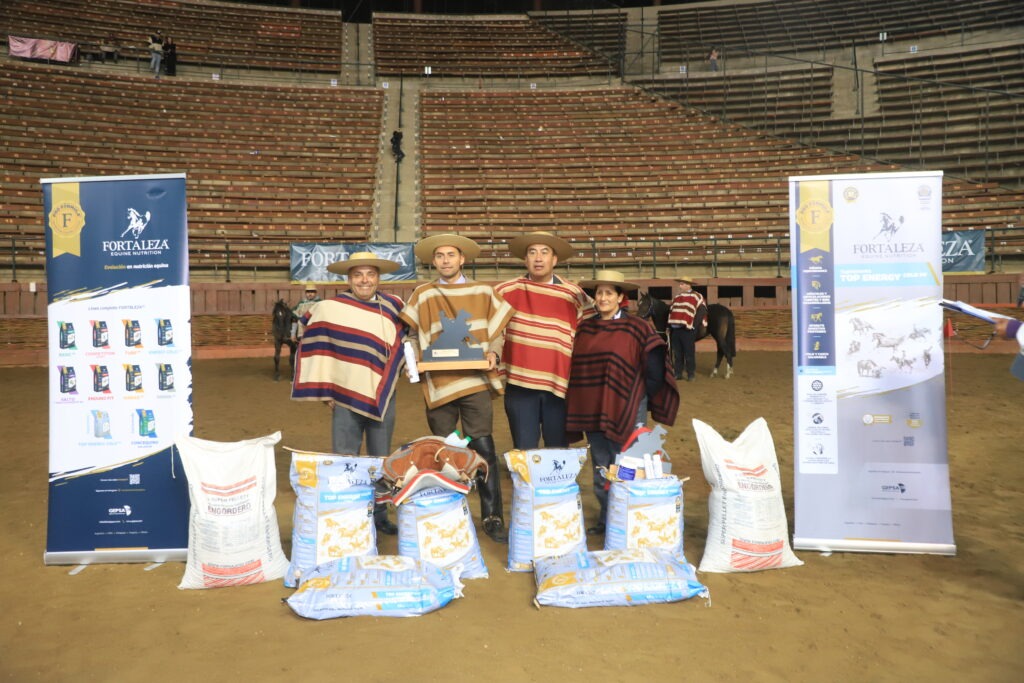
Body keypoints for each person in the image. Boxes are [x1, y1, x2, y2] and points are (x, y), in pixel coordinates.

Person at [400, 234, 514, 542]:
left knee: (483, 444)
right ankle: (447, 512)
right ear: (434, 261)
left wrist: (494, 354)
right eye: (440, 256)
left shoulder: (483, 291)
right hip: (438, 382)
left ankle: (492, 515)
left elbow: (496, 333)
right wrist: (412, 359)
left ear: (462, 259)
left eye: (451, 255)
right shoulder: (423, 294)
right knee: (443, 449)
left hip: (475, 381)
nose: (445, 260)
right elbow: (413, 335)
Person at [291, 252, 406, 534]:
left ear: (379, 277)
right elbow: (315, 343)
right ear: (349, 279)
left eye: (370, 274)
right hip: (343, 396)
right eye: (358, 275)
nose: (364, 280)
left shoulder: (394, 306)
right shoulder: (330, 308)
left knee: (380, 459)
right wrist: (326, 388)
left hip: (382, 396)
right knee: (346, 458)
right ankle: (349, 515)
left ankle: (379, 515)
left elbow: (407, 340)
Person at [566, 270, 679, 536]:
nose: (603, 298)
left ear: (620, 298)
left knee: (628, 463)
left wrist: (636, 396)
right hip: (593, 407)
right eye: (599, 293)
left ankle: (628, 520)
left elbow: (654, 369)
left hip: (628, 407)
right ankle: (607, 520)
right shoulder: (585, 328)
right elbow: (579, 369)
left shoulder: (637, 328)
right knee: (601, 464)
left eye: (609, 293)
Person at [496, 231, 593, 450]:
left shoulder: (574, 295)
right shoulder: (505, 291)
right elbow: (486, 328)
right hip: (520, 384)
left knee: (557, 449)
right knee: (524, 448)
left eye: (544, 252)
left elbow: (590, 334)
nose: (538, 258)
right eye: (532, 252)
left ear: (554, 260)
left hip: (559, 385)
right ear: (525, 259)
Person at [668, 276, 706, 381]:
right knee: (677, 354)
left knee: (689, 353)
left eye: (682, 284)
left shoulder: (697, 296)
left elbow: (702, 311)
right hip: (676, 330)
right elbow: (672, 312)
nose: (680, 286)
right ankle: (678, 373)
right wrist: (669, 326)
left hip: (687, 330)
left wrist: (693, 325)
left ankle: (691, 374)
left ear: (688, 285)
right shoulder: (677, 297)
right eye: (680, 284)